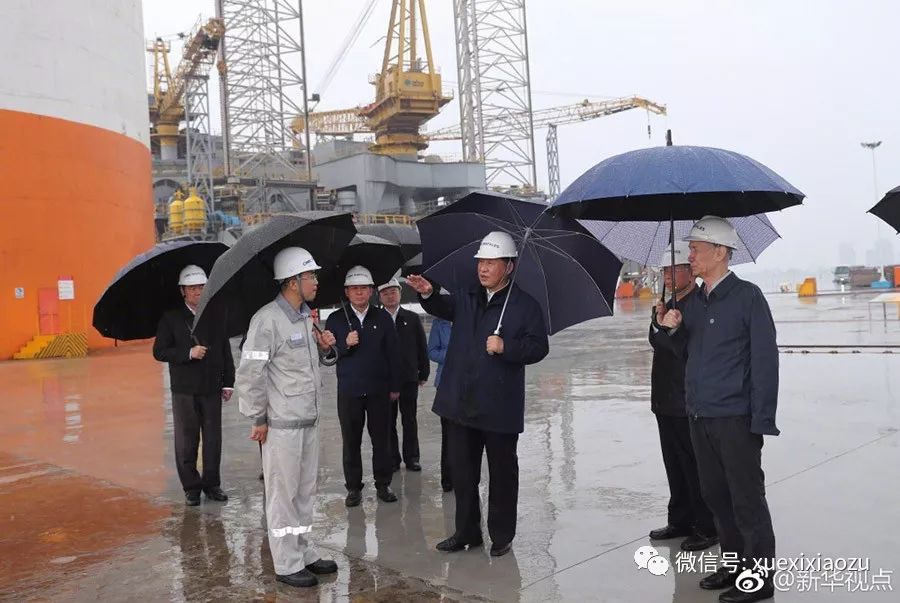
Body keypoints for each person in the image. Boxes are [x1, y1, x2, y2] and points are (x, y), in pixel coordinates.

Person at [406, 231, 549, 558]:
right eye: (480, 262)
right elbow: (443, 307)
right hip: (460, 402)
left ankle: (501, 535)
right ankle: (467, 532)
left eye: (490, 262)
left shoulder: (525, 305)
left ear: (509, 266)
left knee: (502, 473)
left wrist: (506, 346)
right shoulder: (467, 296)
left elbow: (539, 347)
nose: (483, 268)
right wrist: (428, 293)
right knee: (463, 472)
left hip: (499, 406)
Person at [658, 216, 779, 603]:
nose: (689, 255)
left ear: (721, 252)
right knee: (715, 496)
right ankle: (734, 563)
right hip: (699, 415)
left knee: (745, 499)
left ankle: (758, 578)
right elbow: (683, 352)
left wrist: (761, 419)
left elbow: (765, 361)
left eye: (696, 249)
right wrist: (670, 327)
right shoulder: (694, 303)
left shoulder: (747, 297)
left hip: (735, 418)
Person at [235, 247, 339, 588]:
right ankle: (286, 563)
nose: (316, 281)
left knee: (305, 493)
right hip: (281, 427)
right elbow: (250, 373)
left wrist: (325, 347)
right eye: (310, 275)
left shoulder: (306, 318)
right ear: (293, 282)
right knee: (283, 495)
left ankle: (304, 552)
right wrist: (257, 418)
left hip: (308, 421)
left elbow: (307, 367)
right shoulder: (266, 320)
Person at [647, 241, 717, 551]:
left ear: (691, 271)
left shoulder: (700, 304)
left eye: (674, 269)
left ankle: (706, 526)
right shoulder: (668, 304)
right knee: (673, 463)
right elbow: (657, 343)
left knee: (695, 466)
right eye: (665, 270)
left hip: (687, 398)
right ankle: (680, 519)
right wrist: (658, 322)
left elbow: (686, 349)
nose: (668, 275)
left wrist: (671, 330)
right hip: (665, 398)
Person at [153, 265, 233, 507]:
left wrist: (228, 382)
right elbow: (159, 351)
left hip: (211, 387)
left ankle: (212, 484)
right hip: (184, 390)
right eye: (192, 288)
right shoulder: (171, 318)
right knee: (186, 440)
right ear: (183, 291)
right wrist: (188, 353)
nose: (198, 292)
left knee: (213, 439)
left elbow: (225, 350)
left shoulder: (216, 314)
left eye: (201, 287)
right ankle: (191, 487)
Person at [325, 266, 402, 507]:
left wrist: (395, 386)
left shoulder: (382, 318)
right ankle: (353, 488)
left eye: (363, 288)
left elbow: (394, 354)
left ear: (371, 291)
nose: (359, 292)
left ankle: (383, 484)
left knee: (381, 440)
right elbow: (329, 357)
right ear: (346, 292)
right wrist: (344, 345)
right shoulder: (335, 319)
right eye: (354, 288)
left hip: (379, 391)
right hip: (349, 392)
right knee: (351, 442)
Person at [378, 277, 430, 473]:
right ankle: (392, 459)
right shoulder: (377, 319)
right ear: (379, 297)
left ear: (400, 293)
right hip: (385, 380)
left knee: (409, 420)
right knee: (388, 421)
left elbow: (422, 347)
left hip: (409, 378)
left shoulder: (412, 318)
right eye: (385, 293)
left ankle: (412, 458)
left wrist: (423, 372)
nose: (390, 296)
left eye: (393, 292)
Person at [427, 316, 453, 492]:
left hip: (470, 383)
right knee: (449, 433)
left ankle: (467, 476)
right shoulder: (439, 323)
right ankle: (448, 478)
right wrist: (451, 355)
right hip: (445, 383)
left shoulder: (473, 317)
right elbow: (432, 351)